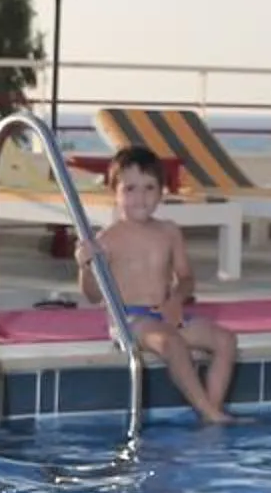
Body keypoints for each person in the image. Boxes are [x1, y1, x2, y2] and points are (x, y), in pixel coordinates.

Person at [73, 144, 238, 425]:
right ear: (114, 193)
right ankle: (211, 414)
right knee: (173, 344)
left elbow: (186, 278)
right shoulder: (107, 240)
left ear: (162, 192)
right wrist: (84, 266)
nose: (141, 198)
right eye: (130, 189)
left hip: (166, 313)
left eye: (149, 188)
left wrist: (176, 299)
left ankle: (211, 407)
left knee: (225, 340)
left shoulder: (169, 231)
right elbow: (91, 295)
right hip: (130, 319)